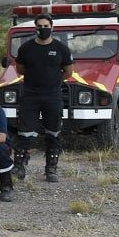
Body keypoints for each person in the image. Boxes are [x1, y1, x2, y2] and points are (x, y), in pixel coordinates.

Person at [14, 13, 74, 182]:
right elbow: (20, 69)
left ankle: (51, 169)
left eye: (46, 26)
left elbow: (68, 72)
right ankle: (19, 167)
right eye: (39, 26)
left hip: (52, 95)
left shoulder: (61, 49)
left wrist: (54, 81)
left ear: (52, 27)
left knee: (53, 132)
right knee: (25, 132)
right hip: (30, 95)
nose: (43, 29)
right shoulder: (26, 48)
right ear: (35, 28)